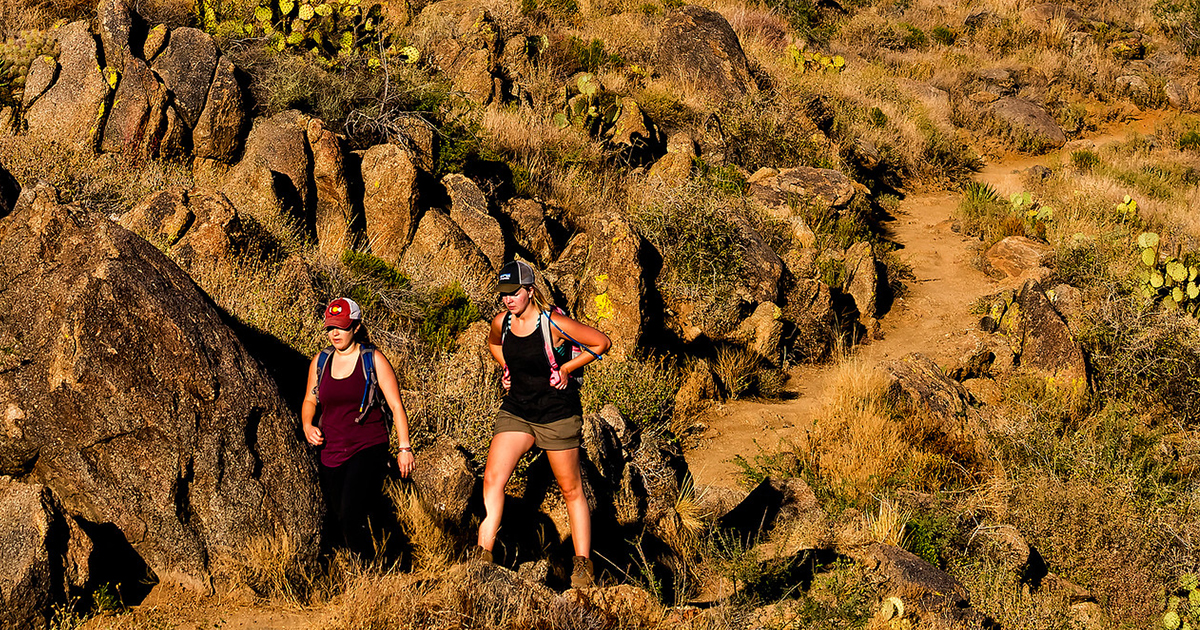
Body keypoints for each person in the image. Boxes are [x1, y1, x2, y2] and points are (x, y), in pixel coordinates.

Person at [476, 260, 611, 588]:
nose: (508, 300)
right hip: (517, 412)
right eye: (504, 294)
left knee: (571, 489)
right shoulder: (502, 323)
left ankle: (582, 565)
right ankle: (483, 556)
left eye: (514, 293)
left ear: (530, 291)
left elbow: (601, 343)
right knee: (493, 479)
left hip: (556, 416)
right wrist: (507, 367)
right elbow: (494, 344)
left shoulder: (553, 323)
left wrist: (566, 369)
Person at [302, 297, 415, 559]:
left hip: (368, 445)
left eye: (341, 327)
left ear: (355, 326)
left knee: (351, 513)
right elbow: (310, 398)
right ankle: (394, 558)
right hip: (331, 449)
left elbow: (396, 405)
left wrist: (404, 448)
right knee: (341, 514)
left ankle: (369, 574)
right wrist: (307, 424)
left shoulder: (373, 360)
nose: (335, 333)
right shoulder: (321, 361)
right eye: (331, 327)